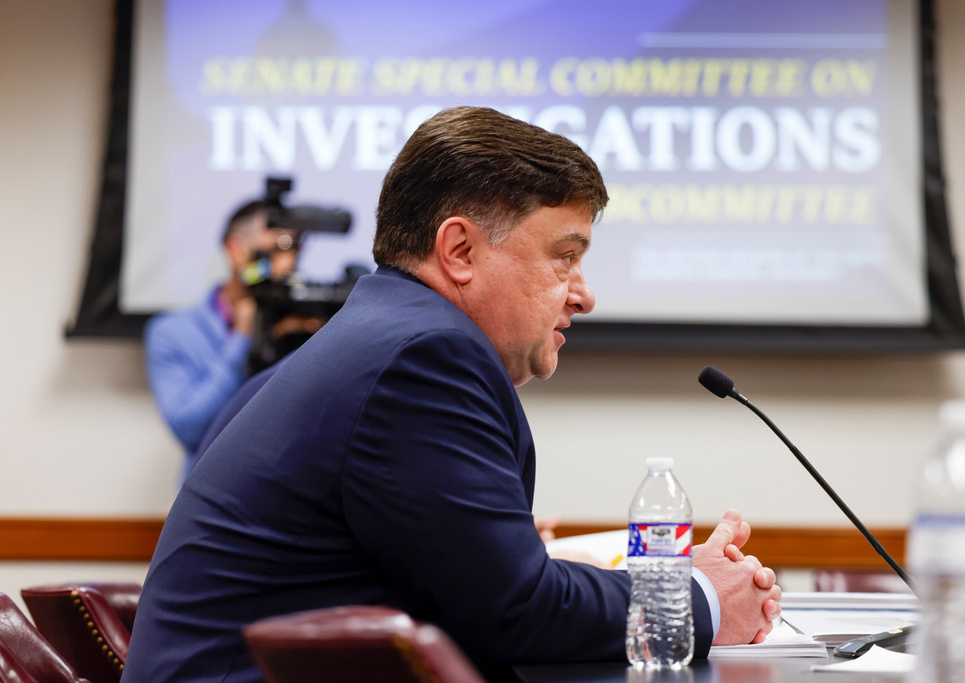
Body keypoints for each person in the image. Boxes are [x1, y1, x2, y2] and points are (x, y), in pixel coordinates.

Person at [122, 106, 780, 683]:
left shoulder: (371, 338)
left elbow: (477, 589)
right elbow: (519, 611)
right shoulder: (423, 357)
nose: (583, 293)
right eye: (565, 256)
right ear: (460, 250)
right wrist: (695, 595)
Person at [142, 201, 299, 479]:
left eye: (293, 250)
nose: (287, 264)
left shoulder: (304, 325)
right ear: (235, 250)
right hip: (215, 501)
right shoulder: (172, 332)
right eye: (274, 251)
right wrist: (241, 339)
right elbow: (191, 430)